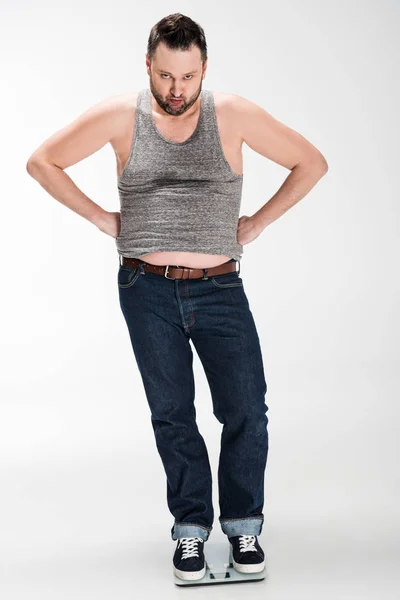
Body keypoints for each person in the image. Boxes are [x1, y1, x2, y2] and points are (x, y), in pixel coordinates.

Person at [26, 12, 328, 582]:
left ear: (204, 69)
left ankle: (243, 528)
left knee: (245, 410)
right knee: (172, 414)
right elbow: (42, 161)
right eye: (165, 76)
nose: (176, 90)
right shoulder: (122, 116)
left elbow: (310, 162)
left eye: (188, 78)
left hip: (219, 286)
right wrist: (101, 219)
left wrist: (257, 224)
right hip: (145, 288)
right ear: (149, 66)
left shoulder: (231, 114)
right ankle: (190, 532)